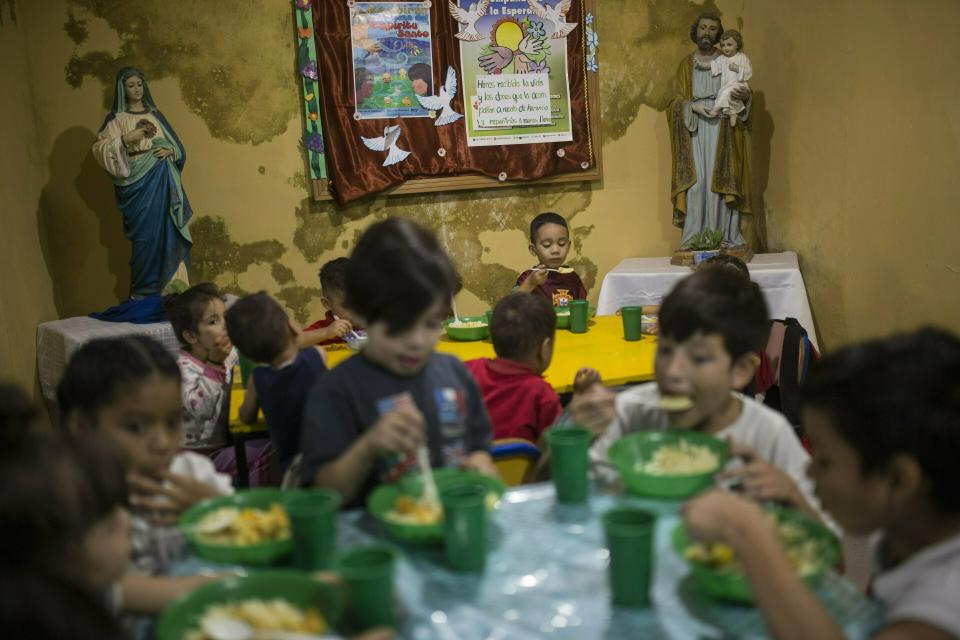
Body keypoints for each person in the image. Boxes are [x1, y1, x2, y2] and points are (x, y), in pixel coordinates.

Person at [683, 327, 960, 640]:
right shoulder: (910, 523)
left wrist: (747, 534)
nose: (809, 472)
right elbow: (837, 569)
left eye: (824, 460)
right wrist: (793, 496)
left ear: (898, 480)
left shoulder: (944, 601)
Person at [572, 269, 825, 523]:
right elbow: (573, 502)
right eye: (665, 351)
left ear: (741, 370)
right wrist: (573, 440)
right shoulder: (632, 412)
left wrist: (794, 497)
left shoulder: (768, 434)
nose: (672, 372)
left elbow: (834, 554)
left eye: (699, 358)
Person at [300, 218, 496, 506]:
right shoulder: (336, 391)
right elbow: (323, 494)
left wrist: (481, 465)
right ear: (360, 313)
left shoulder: (454, 373)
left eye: (431, 323)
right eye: (399, 324)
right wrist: (367, 448)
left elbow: (479, 447)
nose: (416, 341)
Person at [57, 335, 228, 612]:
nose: (162, 443)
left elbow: (248, 527)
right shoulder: (68, 499)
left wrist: (213, 507)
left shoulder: (193, 474)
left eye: (173, 422)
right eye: (136, 427)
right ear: (82, 426)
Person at [92, 67, 192, 298]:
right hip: (136, 186)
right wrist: (126, 139)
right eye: (131, 85)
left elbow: (179, 149)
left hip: (162, 181)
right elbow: (99, 149)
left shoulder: (156, 115)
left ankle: (171, 291)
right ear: (122, 89)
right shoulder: (117, 120)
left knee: (167, 231)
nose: (137, 89)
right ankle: (144, 293)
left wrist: (171, 150)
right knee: (144, 239)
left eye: (139, 84)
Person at [667, 13, 752, 249]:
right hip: (693, 128)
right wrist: (692, 106)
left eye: (713, 29)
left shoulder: (729, 59)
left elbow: (742, 87)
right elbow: (675, 101)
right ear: (695, 32)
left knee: (721, 181)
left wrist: (745, 96)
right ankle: (696, 238)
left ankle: (724, 237)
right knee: (697, 183)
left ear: (719, 33)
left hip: (723, 125)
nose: (707, 32)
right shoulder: (686, 64)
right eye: (703, 28)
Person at [226, 292, 328, 475]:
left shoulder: (258, 379)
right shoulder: (318, 355)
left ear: (247, 354)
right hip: (335, 451)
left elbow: (246, 417)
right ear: (290, 325)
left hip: (296, 469)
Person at [466, 293, 562, 444]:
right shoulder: (542, 395)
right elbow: (560, 446)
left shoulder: (467, 371)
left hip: (469, 466)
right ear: (545, 348)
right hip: (523, 469)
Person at [163, 283, 237, 452]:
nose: (225, 325)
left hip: (222, 442)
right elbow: (203, 411)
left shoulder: (227, 354)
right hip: (196, 453)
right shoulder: (182, 370)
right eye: (213, 321)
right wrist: (214, 365)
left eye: (225, 317)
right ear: (191, 336)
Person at [515, 212, 588, 306]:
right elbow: (511, 306)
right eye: (547, 245)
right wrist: (530, 284)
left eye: (561, 244)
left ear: (569, 247)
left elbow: (581, 307)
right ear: (533, 250)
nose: (555, 250)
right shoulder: (528, 277)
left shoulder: (572, 278)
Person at [697, 29, 752, 127]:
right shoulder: (722, 59)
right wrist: (700, 64)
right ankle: (733, 113)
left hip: (739, 85)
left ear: (737, 45)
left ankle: (715, 110)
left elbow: (749, 72)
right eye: (723, 45)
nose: (725, 48)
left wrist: (738, 68)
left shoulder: (742, 57)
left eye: (729, 45)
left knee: (728, 93)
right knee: (724, 93)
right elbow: (712, 65)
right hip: (727, 85)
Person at [303, 257, 359, 347]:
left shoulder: (370, 326)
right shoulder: (323, 328)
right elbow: (295, 343)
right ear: (327, 304)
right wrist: (326, 332)